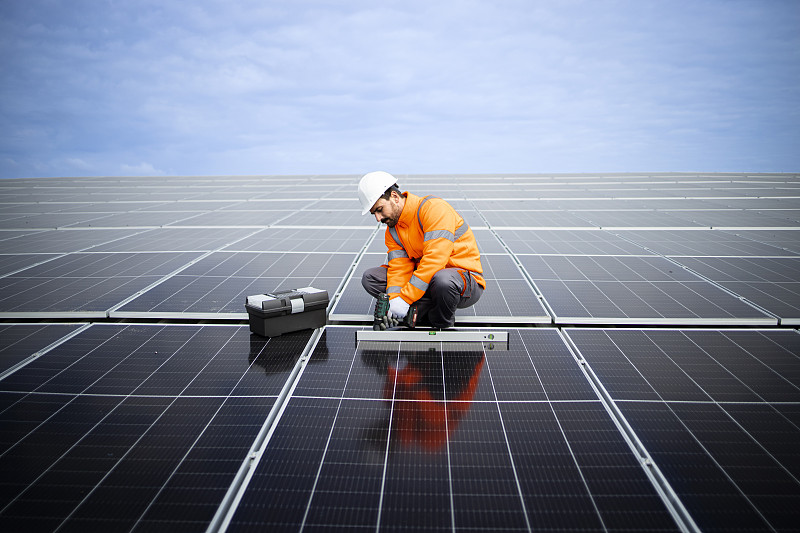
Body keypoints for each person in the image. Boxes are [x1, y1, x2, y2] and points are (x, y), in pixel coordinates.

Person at [358, 171, 485, 329]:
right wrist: (394, 299)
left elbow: (435, 261)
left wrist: (405, 299)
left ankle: (440, 324)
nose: (378, 218)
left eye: (379, 209)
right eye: (374, 214)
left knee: (443, 280)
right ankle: (417, 313)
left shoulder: (433, 209)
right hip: (428, 281)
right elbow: (398, 269)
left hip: (461, 282)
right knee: (371, 278)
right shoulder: (393, 230)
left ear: (395, 197)